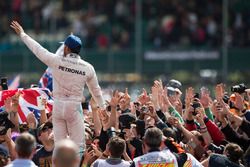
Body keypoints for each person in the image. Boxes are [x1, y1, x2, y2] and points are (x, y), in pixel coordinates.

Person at [10, 21, 105, 155]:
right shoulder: (88, 67)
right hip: (74, 107)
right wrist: (103, 108)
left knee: (58, 149)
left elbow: (37, 49)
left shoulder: (56, 61)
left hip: (58, 107)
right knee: (78, 148)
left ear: (66, 48)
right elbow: (96, 92)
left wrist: (23, 34)